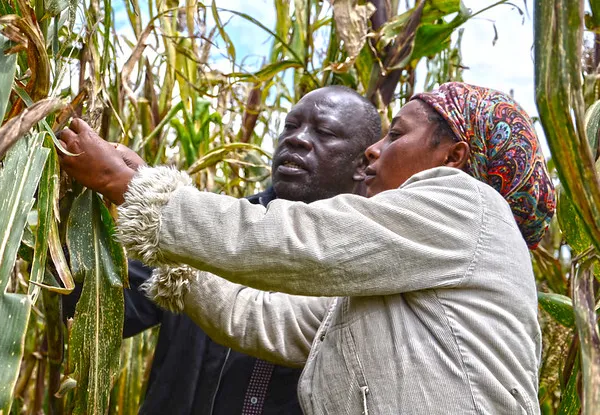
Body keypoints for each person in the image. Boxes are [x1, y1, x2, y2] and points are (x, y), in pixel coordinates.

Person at [58, 82, 556, 414]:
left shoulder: (469, 205)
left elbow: (303, 242)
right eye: (290, 128)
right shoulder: (384, 281)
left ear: (453, 157)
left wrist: (125, 184)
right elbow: (259, 318)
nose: (375, 151)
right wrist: (147, 209)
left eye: (397, 134)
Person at [61, 86, 383, 414]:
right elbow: (106, 308)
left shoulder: (373, 263)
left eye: (324, 132)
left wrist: (125, 183)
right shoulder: (199, 227)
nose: (296, 139)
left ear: (363, 163)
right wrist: (63, 213)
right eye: (289, 126)